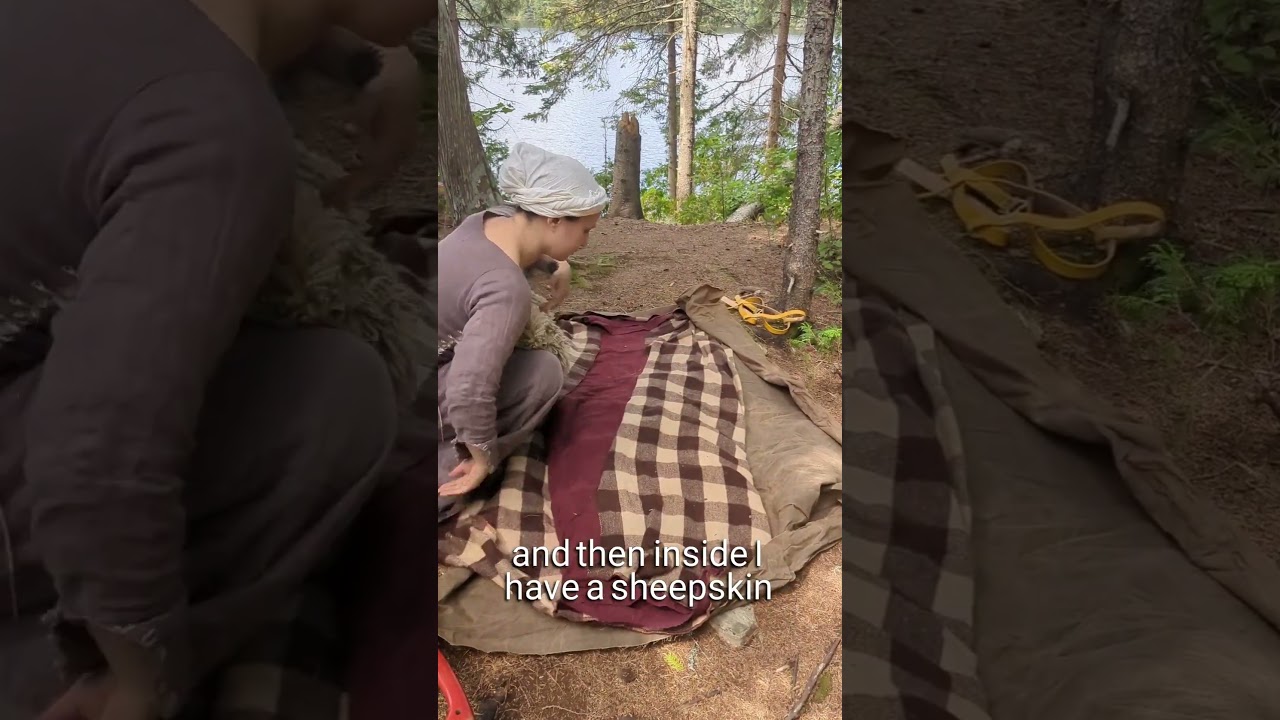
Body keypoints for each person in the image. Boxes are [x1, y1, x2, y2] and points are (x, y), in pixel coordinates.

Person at [0, 0, 431, 718]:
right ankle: (74, 680)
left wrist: (371, 57)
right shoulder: (217, 125)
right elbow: (95, 458)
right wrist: (146, 680)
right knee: (336, 401)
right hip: (63, 463)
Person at [436, 143, 608, 518]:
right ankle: (452, 468)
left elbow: (521, 244)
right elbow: (468, 386)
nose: (586, 242)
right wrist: (481, 454)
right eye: (585, 230)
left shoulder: (488, 220)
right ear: (553, 221)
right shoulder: (505, 288)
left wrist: (555, 264)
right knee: (543, 373)